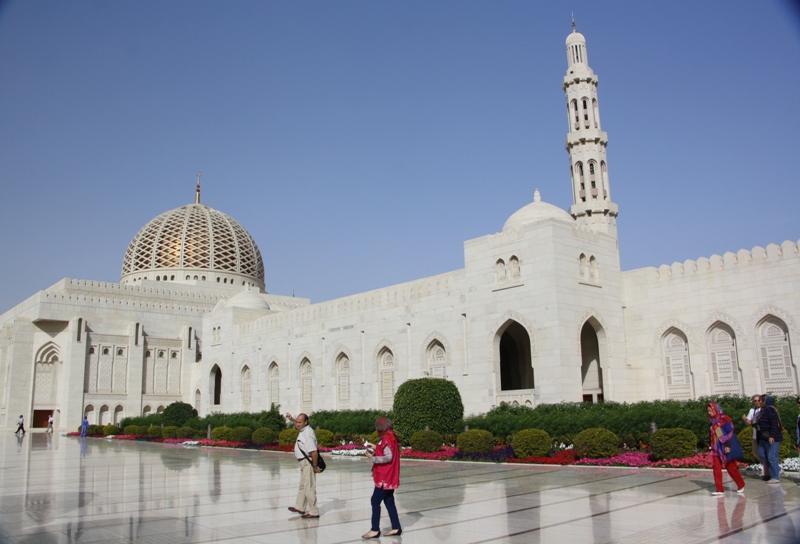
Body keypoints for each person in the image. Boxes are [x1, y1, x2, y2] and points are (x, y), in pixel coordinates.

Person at [362, 417, 402, 539]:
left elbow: (388, 457)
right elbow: (385, 450)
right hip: (389, 476)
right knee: (389, 500)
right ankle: (396, 527)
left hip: (385, 477)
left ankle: (375, 529)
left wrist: (372, 458)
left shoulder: (386, 439)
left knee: (375, 500)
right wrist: (375, 447)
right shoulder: (391, 437)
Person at [285, 412, 321, 519]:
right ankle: (300, 507)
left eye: (300, 422)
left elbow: (314, 452)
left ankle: (314, 511)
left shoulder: (308, 434)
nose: (298, 424)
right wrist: (292, 419)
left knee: (309, 487)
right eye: (297, 421)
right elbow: (297, 425)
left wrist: (314, 466)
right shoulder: (303, 429)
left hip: (308, 463)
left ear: (306, 422)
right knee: (303, 486)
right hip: (303, 462)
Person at [707, 402, 745, 496]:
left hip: (726, 446)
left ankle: (741, 484)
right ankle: (719, 489)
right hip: (716, 447)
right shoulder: (713, 420)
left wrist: (727, 446)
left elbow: (730, 433)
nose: (709, 413)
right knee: (716, 468)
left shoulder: (724, 419)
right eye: (708, 411)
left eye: (711, 410)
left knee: (731, 467)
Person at [756, 395, 783, 484]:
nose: (759, 402)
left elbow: (774, 423)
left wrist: (772, 436)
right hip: (764, 437)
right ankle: (777, 469)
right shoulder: (763, 410)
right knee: (761, 453)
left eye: (761, 400)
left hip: (772, 437)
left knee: (772, 456)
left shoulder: (770, 410)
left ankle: (775, 477)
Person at [742, 395, 769, 480]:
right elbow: (749, 423)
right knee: (756, 453)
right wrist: (745, 419)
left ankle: (769, 473)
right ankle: (771, 470)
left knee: (764, 454)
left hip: (765, 436)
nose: (757, 402)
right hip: (756, 435)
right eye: (755, 401)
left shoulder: (765, 409)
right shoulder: (752, 410)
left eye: (758, 400)